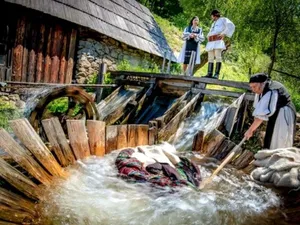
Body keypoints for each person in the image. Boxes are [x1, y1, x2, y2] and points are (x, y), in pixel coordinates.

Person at [244, 73, 296, 149]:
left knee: (279, 138)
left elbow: (260, 117)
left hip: (284, 113)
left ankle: (276, 157)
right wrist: (252, 129)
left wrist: (250, 130)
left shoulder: (271, 91)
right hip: (277, 113)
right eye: (251, 87)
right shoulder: (261, 89)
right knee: (271, 136)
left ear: (261, 84)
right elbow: (258, 112)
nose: (253, 89)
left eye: (254, 86)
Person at [205, 9, 235, 79]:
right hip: (210, 42)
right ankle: (209, 73)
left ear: (214, 15)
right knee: (210, 58)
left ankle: (216, 74)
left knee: (218, 57)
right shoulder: (213, 23)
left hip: (218, 41)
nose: (211, 18)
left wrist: (224, 33)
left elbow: (231, 25)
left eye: (211, 16)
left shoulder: (223, 19)